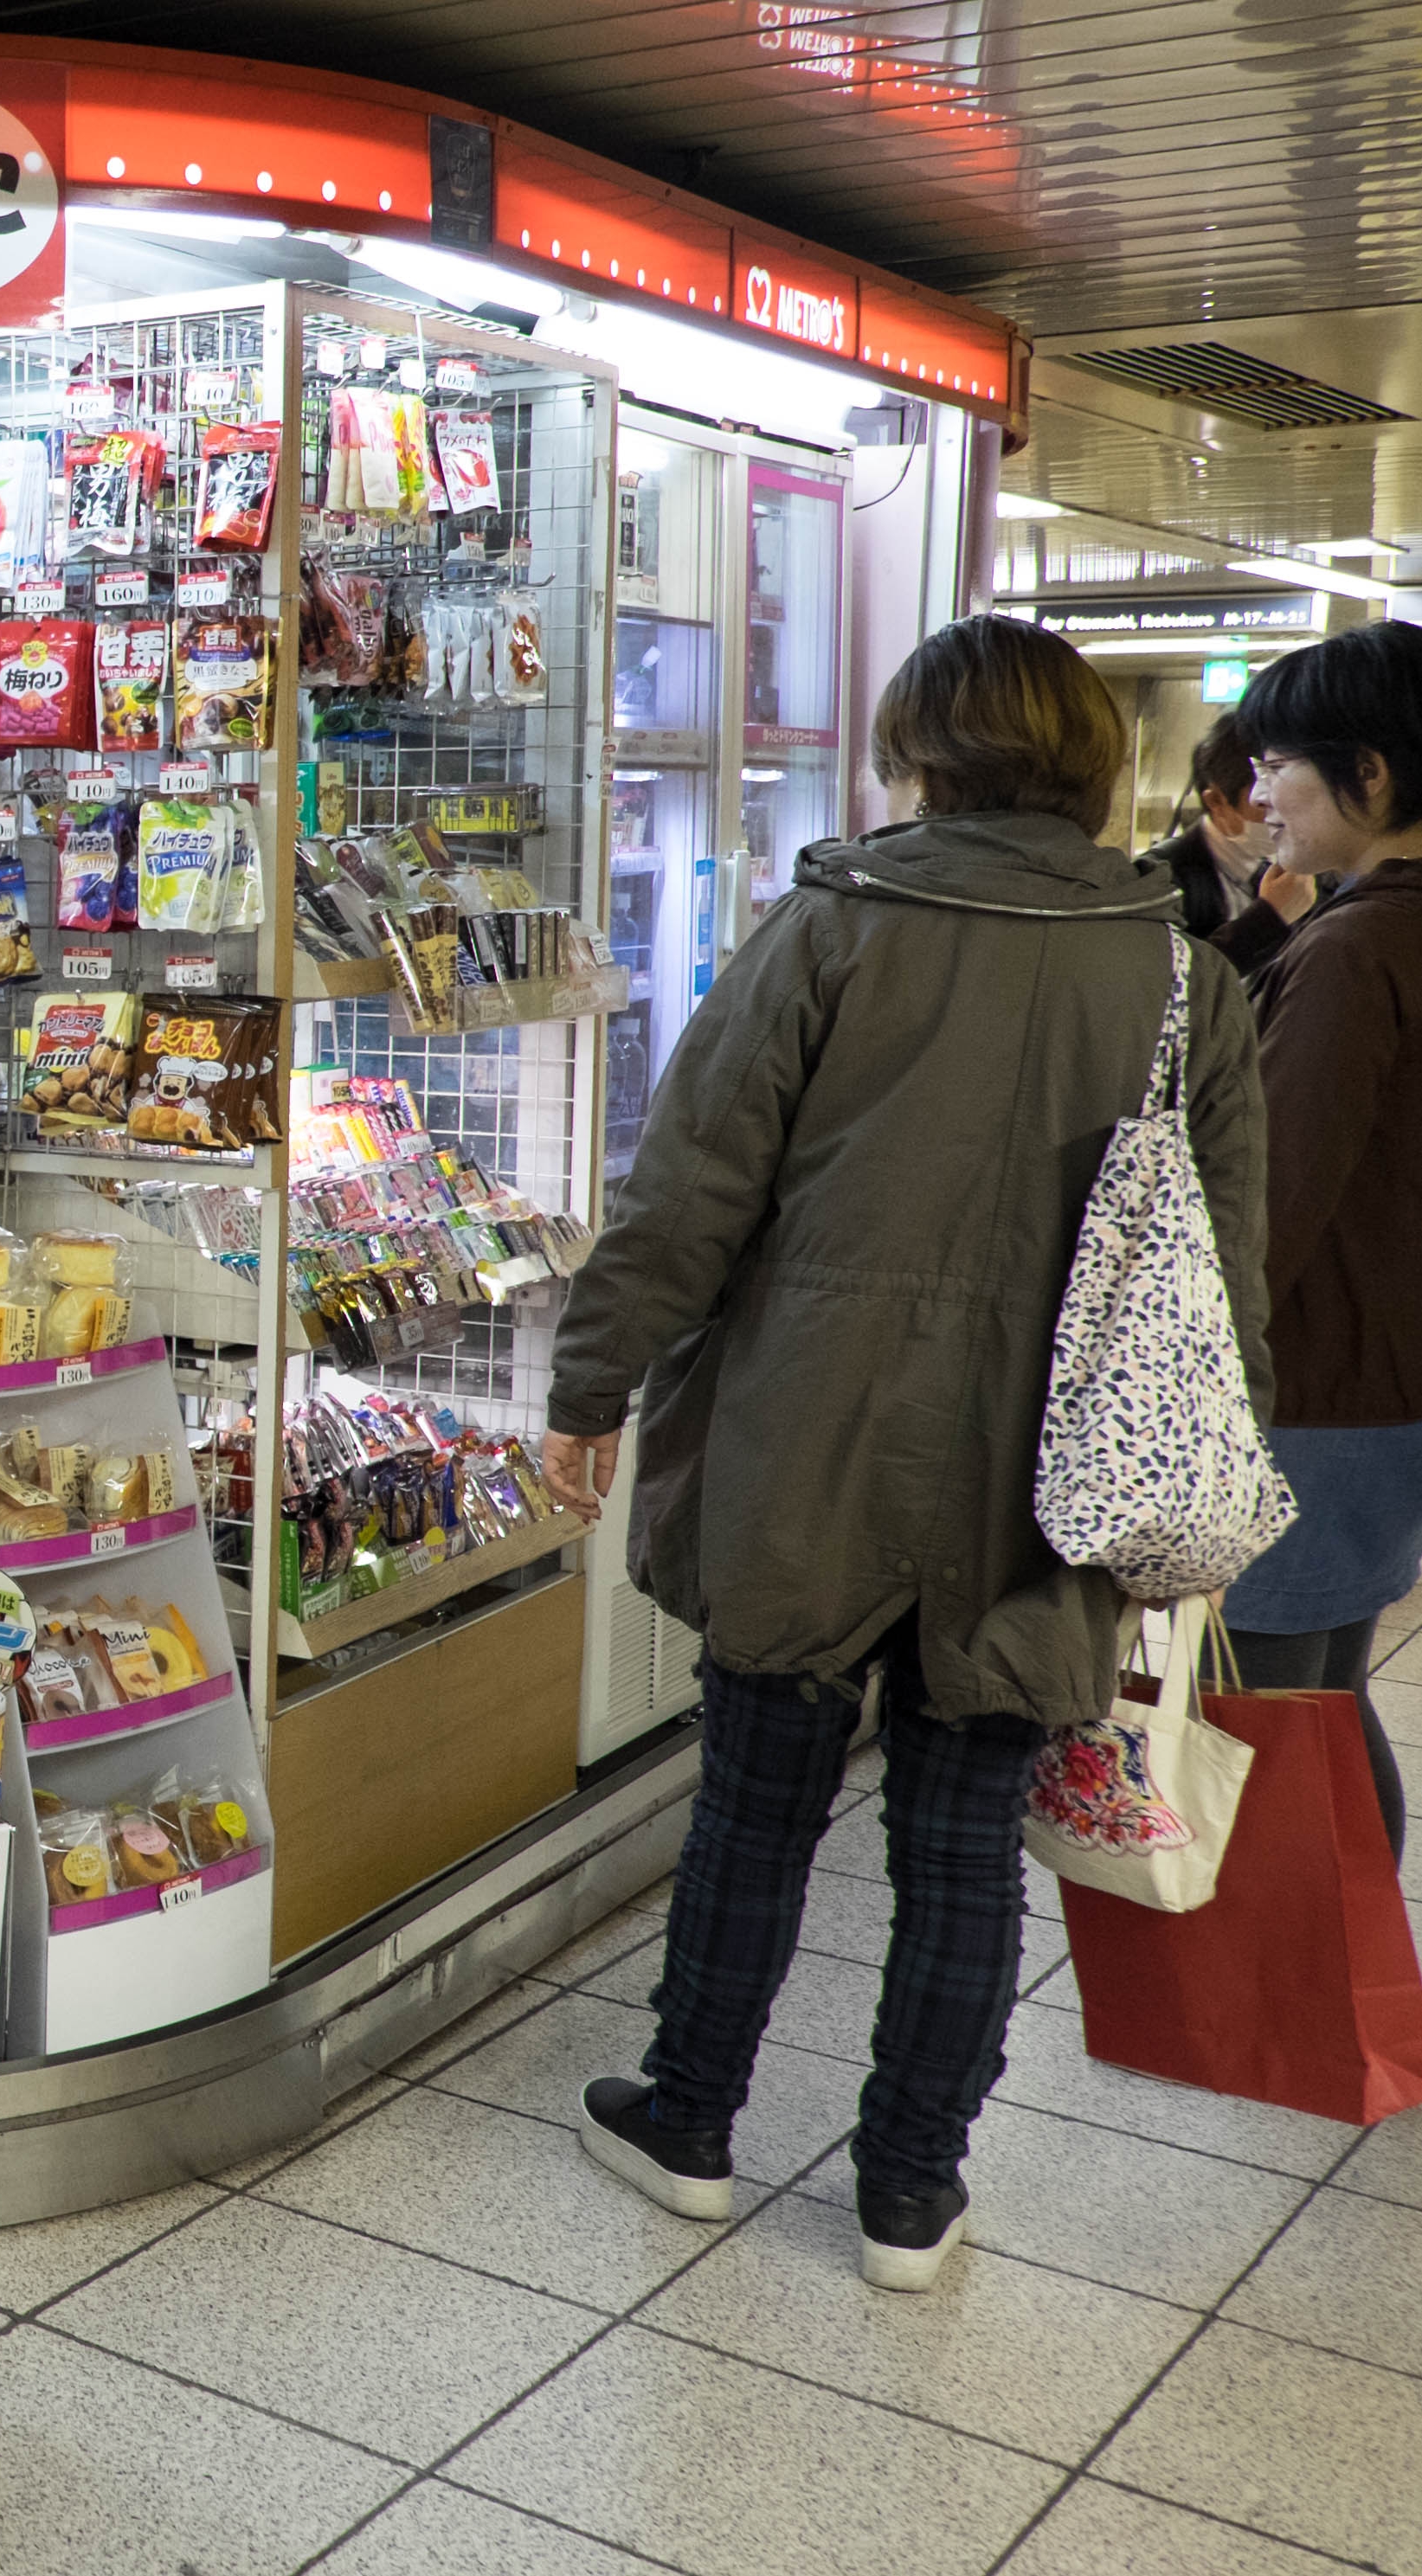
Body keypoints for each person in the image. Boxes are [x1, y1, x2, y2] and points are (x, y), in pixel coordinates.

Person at [539, 615, 1268, 2292]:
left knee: (756, 1799)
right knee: (960, 1836)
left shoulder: (830, 930)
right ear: (1087, 765)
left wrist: (589, 1392)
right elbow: (1226, 1275)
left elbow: (688, 1192)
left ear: (918, 755)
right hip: (1055, 1464)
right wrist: (1207, 1506)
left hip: (814, 1429)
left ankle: (695, 2121)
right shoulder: (1181, 973)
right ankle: (910, 2193)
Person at [1206, 623, 1422, 1862]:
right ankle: (1346, 2004)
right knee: (1324, 1706)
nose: (1256, 798)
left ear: (1371, 773)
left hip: (1313, 1397)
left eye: (1276, 763)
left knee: (1275, 1712)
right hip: (1385, 1387)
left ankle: (1308, 2017)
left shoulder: (1355, 949)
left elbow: (1266, 1206)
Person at [1145, 710, 1322, 980]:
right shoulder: (1160, 878)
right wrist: (1268, 919)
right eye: (1260, 801)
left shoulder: (1298, 871)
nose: (1279, 813)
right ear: (1216, 801)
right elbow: (1166, 987)